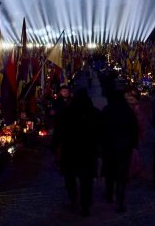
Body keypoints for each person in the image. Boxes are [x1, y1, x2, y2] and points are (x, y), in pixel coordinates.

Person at [51, 88, 102, 217]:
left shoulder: (67, 112)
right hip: (88, 151)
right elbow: (101, 132)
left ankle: (74, 200)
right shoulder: (94, 113)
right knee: (86, 180)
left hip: (70, 150)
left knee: (70, 178)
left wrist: (54, 146)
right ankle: (85, 204)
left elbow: (58, 130)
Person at [101, 89, 139, 213]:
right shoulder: (127, 111)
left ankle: (109, 193)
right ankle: (120, 200)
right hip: (124, 148)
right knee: (121, 175)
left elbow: (101, 128)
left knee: (110, 172)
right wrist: (133, 144)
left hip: (109, 147)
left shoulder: (107, 110)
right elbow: (134, 129)